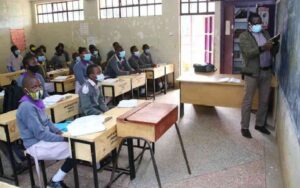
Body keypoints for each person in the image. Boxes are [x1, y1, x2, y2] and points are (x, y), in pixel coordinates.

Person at [16, 76, 73, 188]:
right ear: (26, 90)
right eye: (34, 87)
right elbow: (40, 134)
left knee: (78, 146)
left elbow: (47, 121)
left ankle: (56, 180)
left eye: (39, 86)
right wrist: (63, 138)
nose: (38, 89)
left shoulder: (37, 102)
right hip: (36, 145)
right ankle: (55, 181)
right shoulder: (27, 106)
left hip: (43, 140)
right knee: (77, 149)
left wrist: (59, 132)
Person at [239, 13, 279, 138]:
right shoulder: (244, 36)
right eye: (255, 22)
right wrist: (263, 48)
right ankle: (244, 127)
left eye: (260, 22)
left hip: (266, 72)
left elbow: (272, 52)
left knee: (264, 100)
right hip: (252, 73)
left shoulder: (265, 33)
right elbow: (248, 53)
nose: (258, 25)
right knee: (248, 101)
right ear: (250, 24)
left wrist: (274, 46)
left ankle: (260, 124)